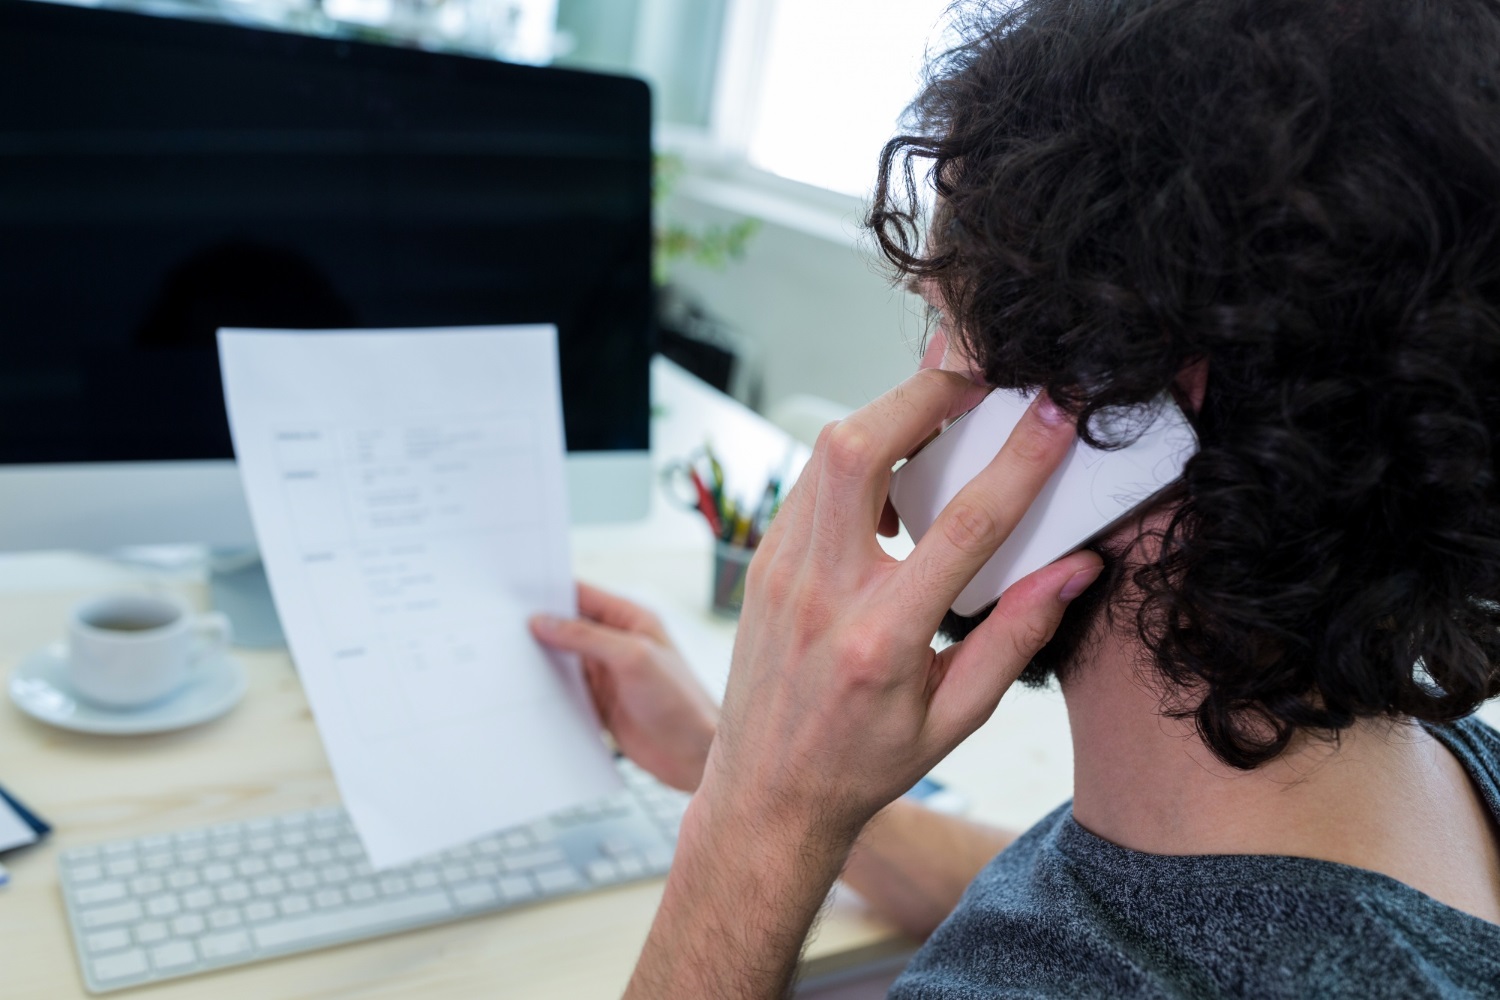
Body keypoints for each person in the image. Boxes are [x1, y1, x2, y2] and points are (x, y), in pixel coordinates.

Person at [529, 0, 1500, 995]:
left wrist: (751, 816)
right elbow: (1112, 906)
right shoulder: (1445, 787)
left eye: (946, 323)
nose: (918, 395)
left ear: (1127, 390)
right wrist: (725, 754)